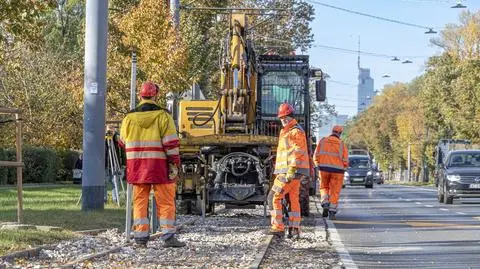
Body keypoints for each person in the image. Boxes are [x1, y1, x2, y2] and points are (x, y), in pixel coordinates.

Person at [119, 81, 185, 248]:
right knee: (165, 202)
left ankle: (141, 237)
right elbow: (171, 144)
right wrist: (174, 164)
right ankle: (168, 237)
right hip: (159, 167)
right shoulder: (163, 116)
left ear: (140, 96)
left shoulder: (128, 118)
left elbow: (122, 142)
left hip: (137, 167)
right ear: (156, 96)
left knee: (140, 201)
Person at [266, 103, 310, 239]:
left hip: (291, 171)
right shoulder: (286, 131)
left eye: (286, 117)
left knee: (273, 197)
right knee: (293, 198)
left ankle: (278, 227)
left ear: (292, 117)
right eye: (281, 118)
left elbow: (298, 151)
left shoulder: (295, 131)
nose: (283, 120)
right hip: (291, 171)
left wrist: (291, 169)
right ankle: (294, 229)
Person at [314, 125, 348, 220]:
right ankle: (332, 212)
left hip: (323, 169)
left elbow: (316, 155)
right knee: (335, 191)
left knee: (324, 187)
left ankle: (325, 203)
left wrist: (317, 165)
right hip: (337, 171)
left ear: (332, 131)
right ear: (340, 134)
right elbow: (345, 160)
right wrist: (344, 168)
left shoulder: (323, 141)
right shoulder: (342, 144)